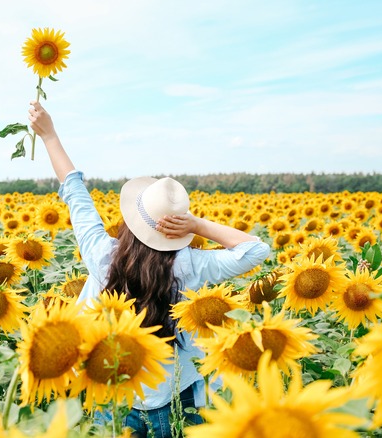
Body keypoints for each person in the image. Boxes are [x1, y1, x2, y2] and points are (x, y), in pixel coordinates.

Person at [28, 101, 271, 438]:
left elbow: (75, 192)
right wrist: (198, 225)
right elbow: (256, 250)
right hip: (176, 399)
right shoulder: (191, 266)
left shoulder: (102, 255)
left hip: (111, 396)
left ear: (130, 220)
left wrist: (50, 136)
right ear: (178, 228)